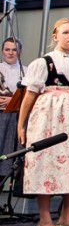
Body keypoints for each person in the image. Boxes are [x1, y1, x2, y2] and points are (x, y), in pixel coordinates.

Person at [16, 19, 69, 226]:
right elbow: (29, 95)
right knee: (47, 163)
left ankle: (66, 217)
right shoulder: (45, 62)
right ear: (55, 36)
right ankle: (44, 220)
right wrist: (21, 125)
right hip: (50, 119)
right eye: (66, 32)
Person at [0, 37, 24, 177]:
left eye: (14, 50)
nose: (10, 53)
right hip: (1, 116)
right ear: (2, 51)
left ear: (20, 52)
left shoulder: (26, 71)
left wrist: (12, 100)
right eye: (7, 49)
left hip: (17, 117)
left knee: (12, 152)